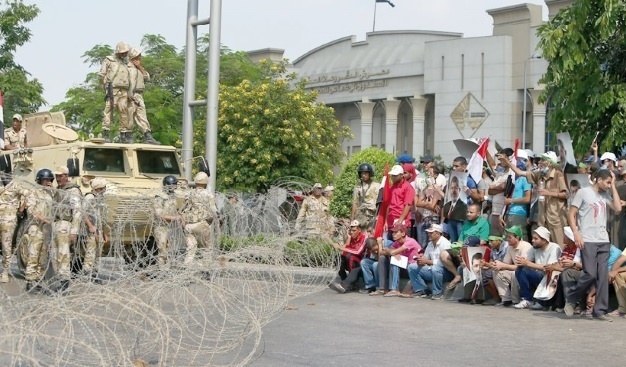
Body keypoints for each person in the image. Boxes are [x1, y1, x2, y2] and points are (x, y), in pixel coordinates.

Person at [565, 169, 622, 321]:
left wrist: (614, 186)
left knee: (603, 276)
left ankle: (599, 310)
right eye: (607, 182)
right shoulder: (583, 192)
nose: (609, 185)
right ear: (598, 180)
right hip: (587, 239)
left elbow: (618, 208)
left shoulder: (606, 195)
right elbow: (571, 214)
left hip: (603, 240)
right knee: (590, 273)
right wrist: (576, 233)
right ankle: (572, 296)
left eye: (611, 182)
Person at [501, 151, 568, 246]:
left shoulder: (558, 175)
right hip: (542, 221)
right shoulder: (539, 175)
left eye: (543, 160)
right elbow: (519, 172)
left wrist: (549, 193)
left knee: (559, 246)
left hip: (556, 220)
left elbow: (565, 195)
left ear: (550, 163)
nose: (540, 162)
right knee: (543, 248)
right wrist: (507, 161)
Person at [513, 226, 562, 310]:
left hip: (550, 277)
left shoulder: (554, 247)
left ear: (544, 240)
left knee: (536, 272)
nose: (532, 241)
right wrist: (522, 261)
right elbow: (526, 261)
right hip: (538, 275)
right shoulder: (534, 248)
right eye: (533, 238)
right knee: (520, 270)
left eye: (536, 239)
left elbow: (549, 268)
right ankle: (527, 299)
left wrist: (528, 263)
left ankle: (542, 302)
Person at [24, 169, 55, 292]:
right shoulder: (34, 192)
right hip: (36, 227)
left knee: (43, 255)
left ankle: (38, 279)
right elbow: (31, 211)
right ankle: (30, 280)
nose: (47, 182)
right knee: (33, 254)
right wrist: (44, 220)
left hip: (46, 229)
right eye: (45, 179)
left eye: (49, 180)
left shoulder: (50, 194)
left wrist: (53, 189)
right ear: (40, 180)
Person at [52, 166, 82, 291]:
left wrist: (74, 232)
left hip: (65, 224)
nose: (57, 178)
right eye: (56, 176)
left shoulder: (72, 190)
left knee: (63, 254)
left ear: (66, 176)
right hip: (56, 224)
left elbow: (77, 211)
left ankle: (64, 282)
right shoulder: (58, 190)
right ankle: (58, 278)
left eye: (60, 176)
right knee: (55, 254)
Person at [370, 223, 421, 297]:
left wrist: (390, 250)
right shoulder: (397, 243)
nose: (393, 234)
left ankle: (394, 289)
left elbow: (393, 252)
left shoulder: (410, 241)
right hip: (404, 267)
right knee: (382, 258)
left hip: (413, 268)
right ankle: (382, 288)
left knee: (394, 259)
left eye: (396, 232)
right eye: (393, 232)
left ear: (403, 233)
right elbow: (381, 253)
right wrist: (389, 250)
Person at [179, 172, 218, 264]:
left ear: (196, 182)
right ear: (206, 182)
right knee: (207, 248)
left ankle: (187, 268)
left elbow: (181, 210)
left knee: (191, 248)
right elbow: (214, 211)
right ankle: (206, 269)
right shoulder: (208, 195)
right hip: (201, 225)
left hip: (188, 226)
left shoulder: (188, 194)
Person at [407, 223, 453, 300]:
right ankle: (422, 290)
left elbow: (444, 263)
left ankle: (437, 293)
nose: (429, 234)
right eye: (428, 232)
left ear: (438, 234)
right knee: (412, 267)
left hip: (445, 272)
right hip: (432, 270)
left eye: (431, 233)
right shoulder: (430, 244)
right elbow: (426, 258)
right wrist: (421, 261)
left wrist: (428, 261)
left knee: (436, 268)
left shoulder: (445, 243)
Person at [98, 41, 132, 143]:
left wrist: (130, 92)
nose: (125, 54)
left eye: (126, 52)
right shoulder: (109, 60)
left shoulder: (126, 62)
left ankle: (123, 134)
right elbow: (101, 75)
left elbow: (130, 78)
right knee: (108, 111)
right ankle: (106, 133)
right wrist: (104, 87)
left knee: (124, 112)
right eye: (123, 52)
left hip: (124, 90)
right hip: (112, 89)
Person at [128, 47, 160, 145]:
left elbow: (147, 77)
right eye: (137, 57)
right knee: (129, 116)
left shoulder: (139, 69)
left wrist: (140, 67)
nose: (139, 59)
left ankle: (147, 135)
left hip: (139, 94)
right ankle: (127, 136)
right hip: (129, 94)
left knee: (142, 116)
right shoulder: (127, 68)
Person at [0, 180, 27, 282]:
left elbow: (29, 195)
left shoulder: (16, 185)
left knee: (6, 245)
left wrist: (21, 209)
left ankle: (5, 271)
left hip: (8, 219)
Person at [153, 175, 184, 266]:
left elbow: (176, 209)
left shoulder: (173, 196)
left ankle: (168, 269)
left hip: (171, 227)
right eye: (173, 185)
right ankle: (162, 270)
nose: (175, 187)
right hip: (161, 227)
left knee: (171, 250)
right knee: (163, 250)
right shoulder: (159, 197)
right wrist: (173, 218)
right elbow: (159, 215)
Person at [81, 177, 108, 274]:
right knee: (90, 252)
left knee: (98, 253)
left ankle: (95, 273)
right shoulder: (90, 197)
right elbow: (83, 212)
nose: (104, 190)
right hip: (91, 229)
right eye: (103, 188)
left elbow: (100, 216)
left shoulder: (99, 199)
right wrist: (90, 226)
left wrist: (103, 231)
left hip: (98, 229)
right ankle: (87, 273)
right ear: (99, 188)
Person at [329, 220, 367, 292]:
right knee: (338, 258)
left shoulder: (364, 237)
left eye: (354, 230)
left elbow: (357, 251)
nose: (352, 232)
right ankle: (345, 281)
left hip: (362, 264)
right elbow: (345, 250)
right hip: (353, 262)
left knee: (350, 257)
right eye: (351, 230)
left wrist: (341, 247)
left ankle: (348, 284)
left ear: (359, 230)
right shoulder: (352, 237)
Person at [385, 165, 415, 234]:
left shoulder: (407, 187)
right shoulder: (392, 187)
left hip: (402, 223)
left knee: (403, 244)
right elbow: (388, 205)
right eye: (392, 175)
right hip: (391, 222)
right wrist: (386, 221)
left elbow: (408, 205)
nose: (393, 177)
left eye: (395, 175)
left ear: (401, 175)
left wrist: (400, 220)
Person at [351, 163, 380, 231]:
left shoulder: (377, 186)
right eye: (362, 173)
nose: (363, 175)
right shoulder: (358, 187)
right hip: (362, 215)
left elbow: (380, 203)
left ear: (370, 174)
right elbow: (355, 203)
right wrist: (352, 219)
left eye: (365, 173)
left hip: (373, 215)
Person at [440, 175, 467, 242]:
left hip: (460, 222)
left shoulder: (463, 205)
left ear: (459, 190)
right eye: (452, 188)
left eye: (456, 188)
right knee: (453, 242)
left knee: (460, 242)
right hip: (450, 222)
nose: (453, 190)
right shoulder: (447, 204)